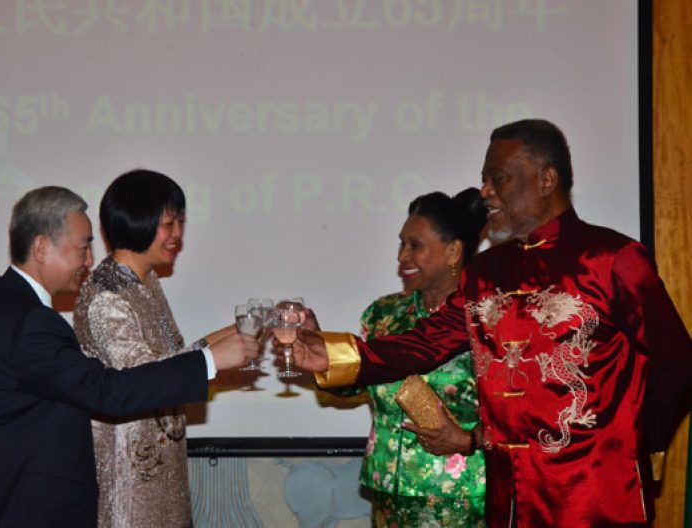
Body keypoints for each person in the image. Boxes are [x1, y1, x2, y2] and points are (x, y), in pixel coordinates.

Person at [289, 119, 692, 527]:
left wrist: (637, 444)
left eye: (497, 179)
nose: (485, 193)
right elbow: (426, 342)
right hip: (509, 503)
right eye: (484, 180)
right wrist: (333, 354)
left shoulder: (611, 259)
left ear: (546, 179)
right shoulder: (484, 272)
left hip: (594, 500)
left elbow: (675, 363)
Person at [0, 186, 258, 528]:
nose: (90, 261)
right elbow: (109, 391)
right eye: (83, 247)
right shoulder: (29, 323)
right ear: (42, 247)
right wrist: (210, 361)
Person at [73, 169, 229, 527]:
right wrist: (212, 358)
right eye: (169, 224)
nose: (177, 236)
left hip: (163, 477)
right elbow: (141, 382)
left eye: (180, 223)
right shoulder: (106, 295)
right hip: (128, 485)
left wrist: (229, 337)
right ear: (137, 222)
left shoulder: (145, 282)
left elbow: (164, 361)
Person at [357, 189, 487, 527]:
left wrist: (469, 438)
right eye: (401, 244)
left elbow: (520, 410)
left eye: (416, 246)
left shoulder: (486, 317)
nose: (403, 256)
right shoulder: (383, 314)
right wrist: (319, 348)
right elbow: (354, 381)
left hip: (461, 498)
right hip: (389, 493)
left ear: (453, 251)